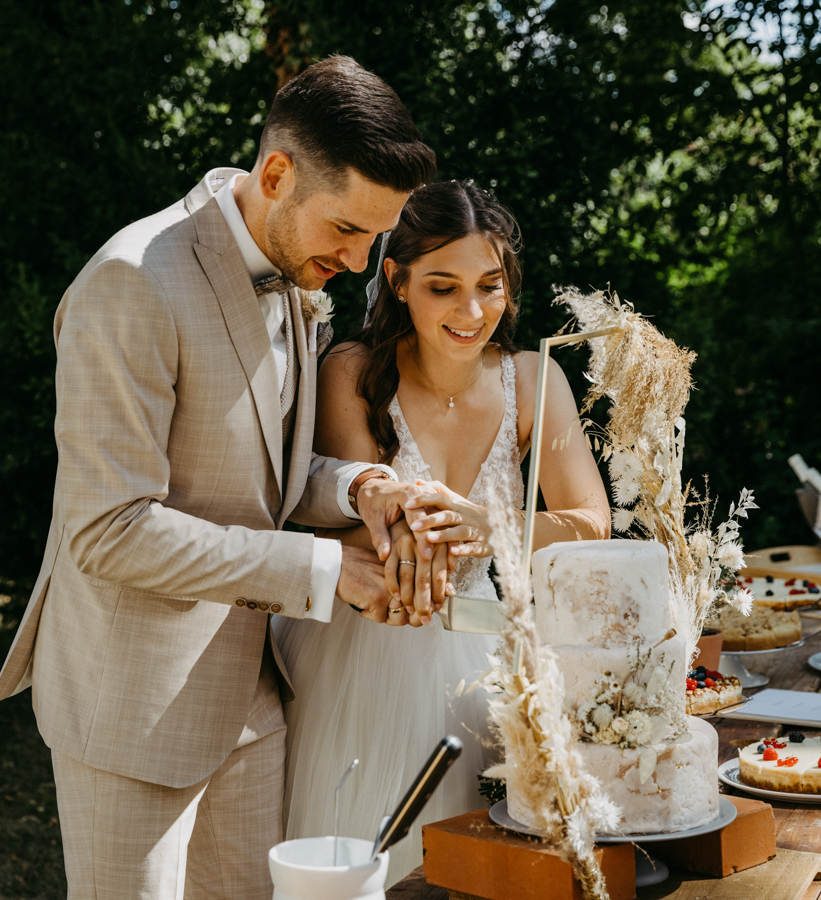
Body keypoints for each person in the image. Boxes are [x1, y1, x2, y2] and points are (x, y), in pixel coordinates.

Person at [0, 56, 443, 900]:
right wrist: (324, 569)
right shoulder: (131, 283)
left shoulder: (295, 272)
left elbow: (257, 473)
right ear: (276, 174)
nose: (356, 262)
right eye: (346, 230)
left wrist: (358, 489)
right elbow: (111, 527)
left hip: (253, 696)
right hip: (131, 706)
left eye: (374, 239)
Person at [275, 179, 611, 884]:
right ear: (395, 281)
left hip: (485, 652)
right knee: (359, 858)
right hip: (365, 645)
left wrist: (492, 524)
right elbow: (362, 528)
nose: (472, 310)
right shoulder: (354, 371)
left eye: (490, 285)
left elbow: (591, 524)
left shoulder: (534, 378)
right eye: (442, 287)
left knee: (477, 861)